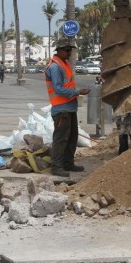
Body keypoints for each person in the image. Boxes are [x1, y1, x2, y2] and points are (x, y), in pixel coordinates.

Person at [45, 38, 90, 177]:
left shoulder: (64, 64)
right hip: (61, 109)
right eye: (66, 50)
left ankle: (68, 163)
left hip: (69, 107)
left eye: (70, 50)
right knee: (61, 139)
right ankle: (56, 167)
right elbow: (58, 89)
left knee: (72, 138)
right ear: (58, 50)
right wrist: (77, 92)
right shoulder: (55, 67)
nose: (69, 53)